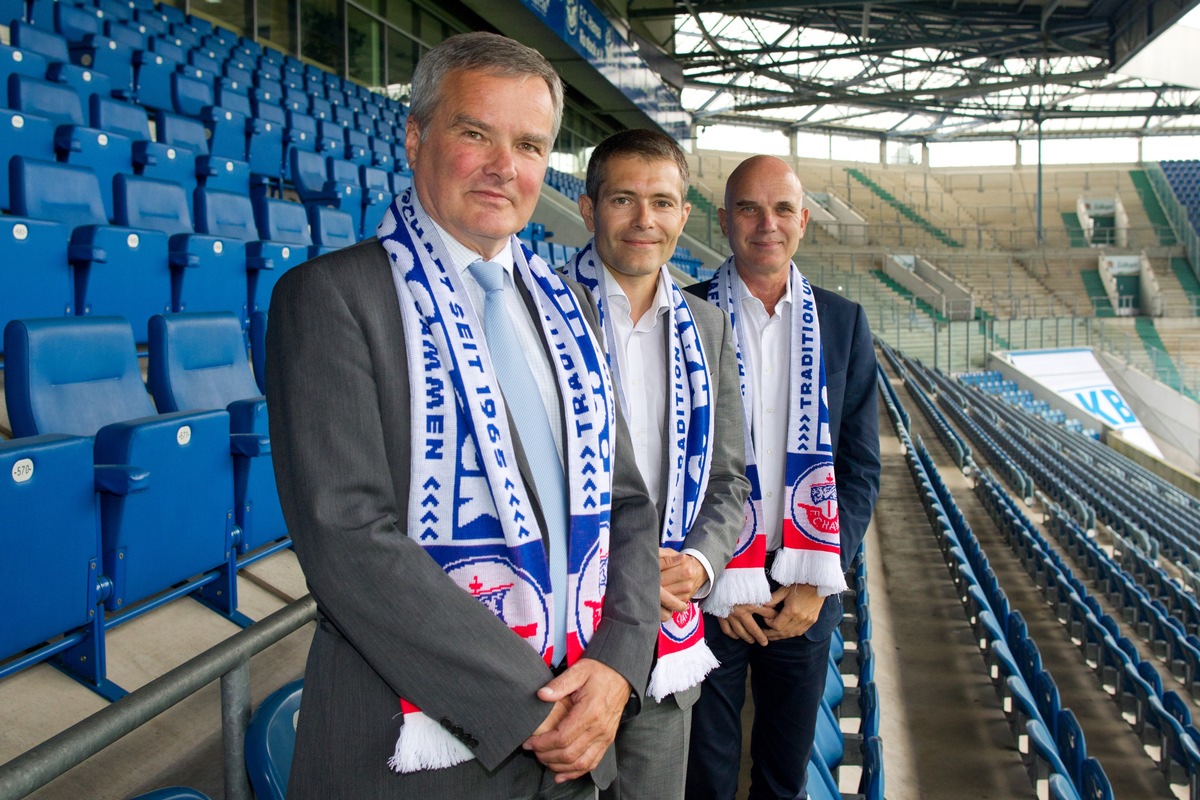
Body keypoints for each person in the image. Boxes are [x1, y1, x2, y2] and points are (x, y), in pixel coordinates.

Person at [266, 31, 661, 800]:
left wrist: (616, 669)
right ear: (416, 138)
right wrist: (537, 709)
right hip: (413, 755)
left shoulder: (569, 309)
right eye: (474, 133)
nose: (502, 167)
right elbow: (349, 539)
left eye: (528, 144)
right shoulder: (331, 299)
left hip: (586, 741)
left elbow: (628, 504)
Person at [683, 155, 881, 800]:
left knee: (783, 772)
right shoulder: (684, 313)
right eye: (748, 208)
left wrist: (817, 578)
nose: (766, 224)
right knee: (703, 772)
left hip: (804, 581)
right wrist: (714, 576)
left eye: (783, 209)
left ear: (803, 222)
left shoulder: (843, 322)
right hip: (706, 581)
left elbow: (858, 468)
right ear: (722, 221)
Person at [560, 128, 750, 800]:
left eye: (662, 203)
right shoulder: (539, 309)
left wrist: (699, 564)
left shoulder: (710, 326)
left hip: (670, 635)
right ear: (588, 209)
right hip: (564, 638)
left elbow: (730, 483)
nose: (645, 221)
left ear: (684, 216)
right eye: (623, 200)